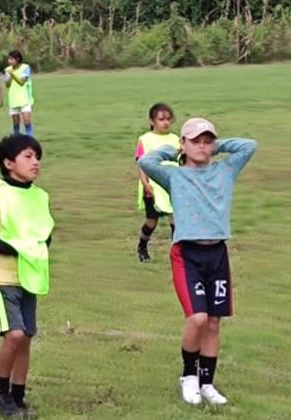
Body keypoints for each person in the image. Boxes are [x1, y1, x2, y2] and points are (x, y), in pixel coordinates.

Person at [139, 118, 256, 406]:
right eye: (196, 140)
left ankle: (207, 383)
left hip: (217, 253)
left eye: (207, 141)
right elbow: (147, 161)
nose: (202, 146)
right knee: (198, 318)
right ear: (184, 143)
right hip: (187, 254)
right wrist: (175, 150)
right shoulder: (175, 176)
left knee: (214, 323)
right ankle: (189, 376)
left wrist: (218, 147)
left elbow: (249, 146)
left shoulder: (225, 170)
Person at [0, 134, 53, 418]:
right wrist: (16, 250)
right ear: (8, 163)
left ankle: (17, 396)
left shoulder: (40, 197)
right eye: (28, 157)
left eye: (37, 157)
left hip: (28, 277)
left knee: (26, 337)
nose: (36, 162)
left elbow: (45, 235)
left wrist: (34, 252)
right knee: (14, 335)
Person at [134, 103, 179, 262]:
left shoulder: (175, 139)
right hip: (153, 187)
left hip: (172, 185)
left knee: (176, 220)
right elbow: (140, 163)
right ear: (152, 121)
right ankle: (142, 246)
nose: (165, 122)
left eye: (168, 119)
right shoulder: (145, 139)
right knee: (152, 222)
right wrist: (146, 184)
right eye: (161, 119)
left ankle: (178, 253)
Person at [4, 50, 34, 136]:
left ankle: (29, 139)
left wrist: (12, 74)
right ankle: (17, 140)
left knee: (26, 121)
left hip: (24, 98)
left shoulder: (25, 68)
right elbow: (7, 85)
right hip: (13, 98)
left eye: (11, 59)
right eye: (9, 59)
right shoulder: (8, 69)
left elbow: (22, 82)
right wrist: (8, 77)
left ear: (17, 59)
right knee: (16, 123)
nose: (9, 61)